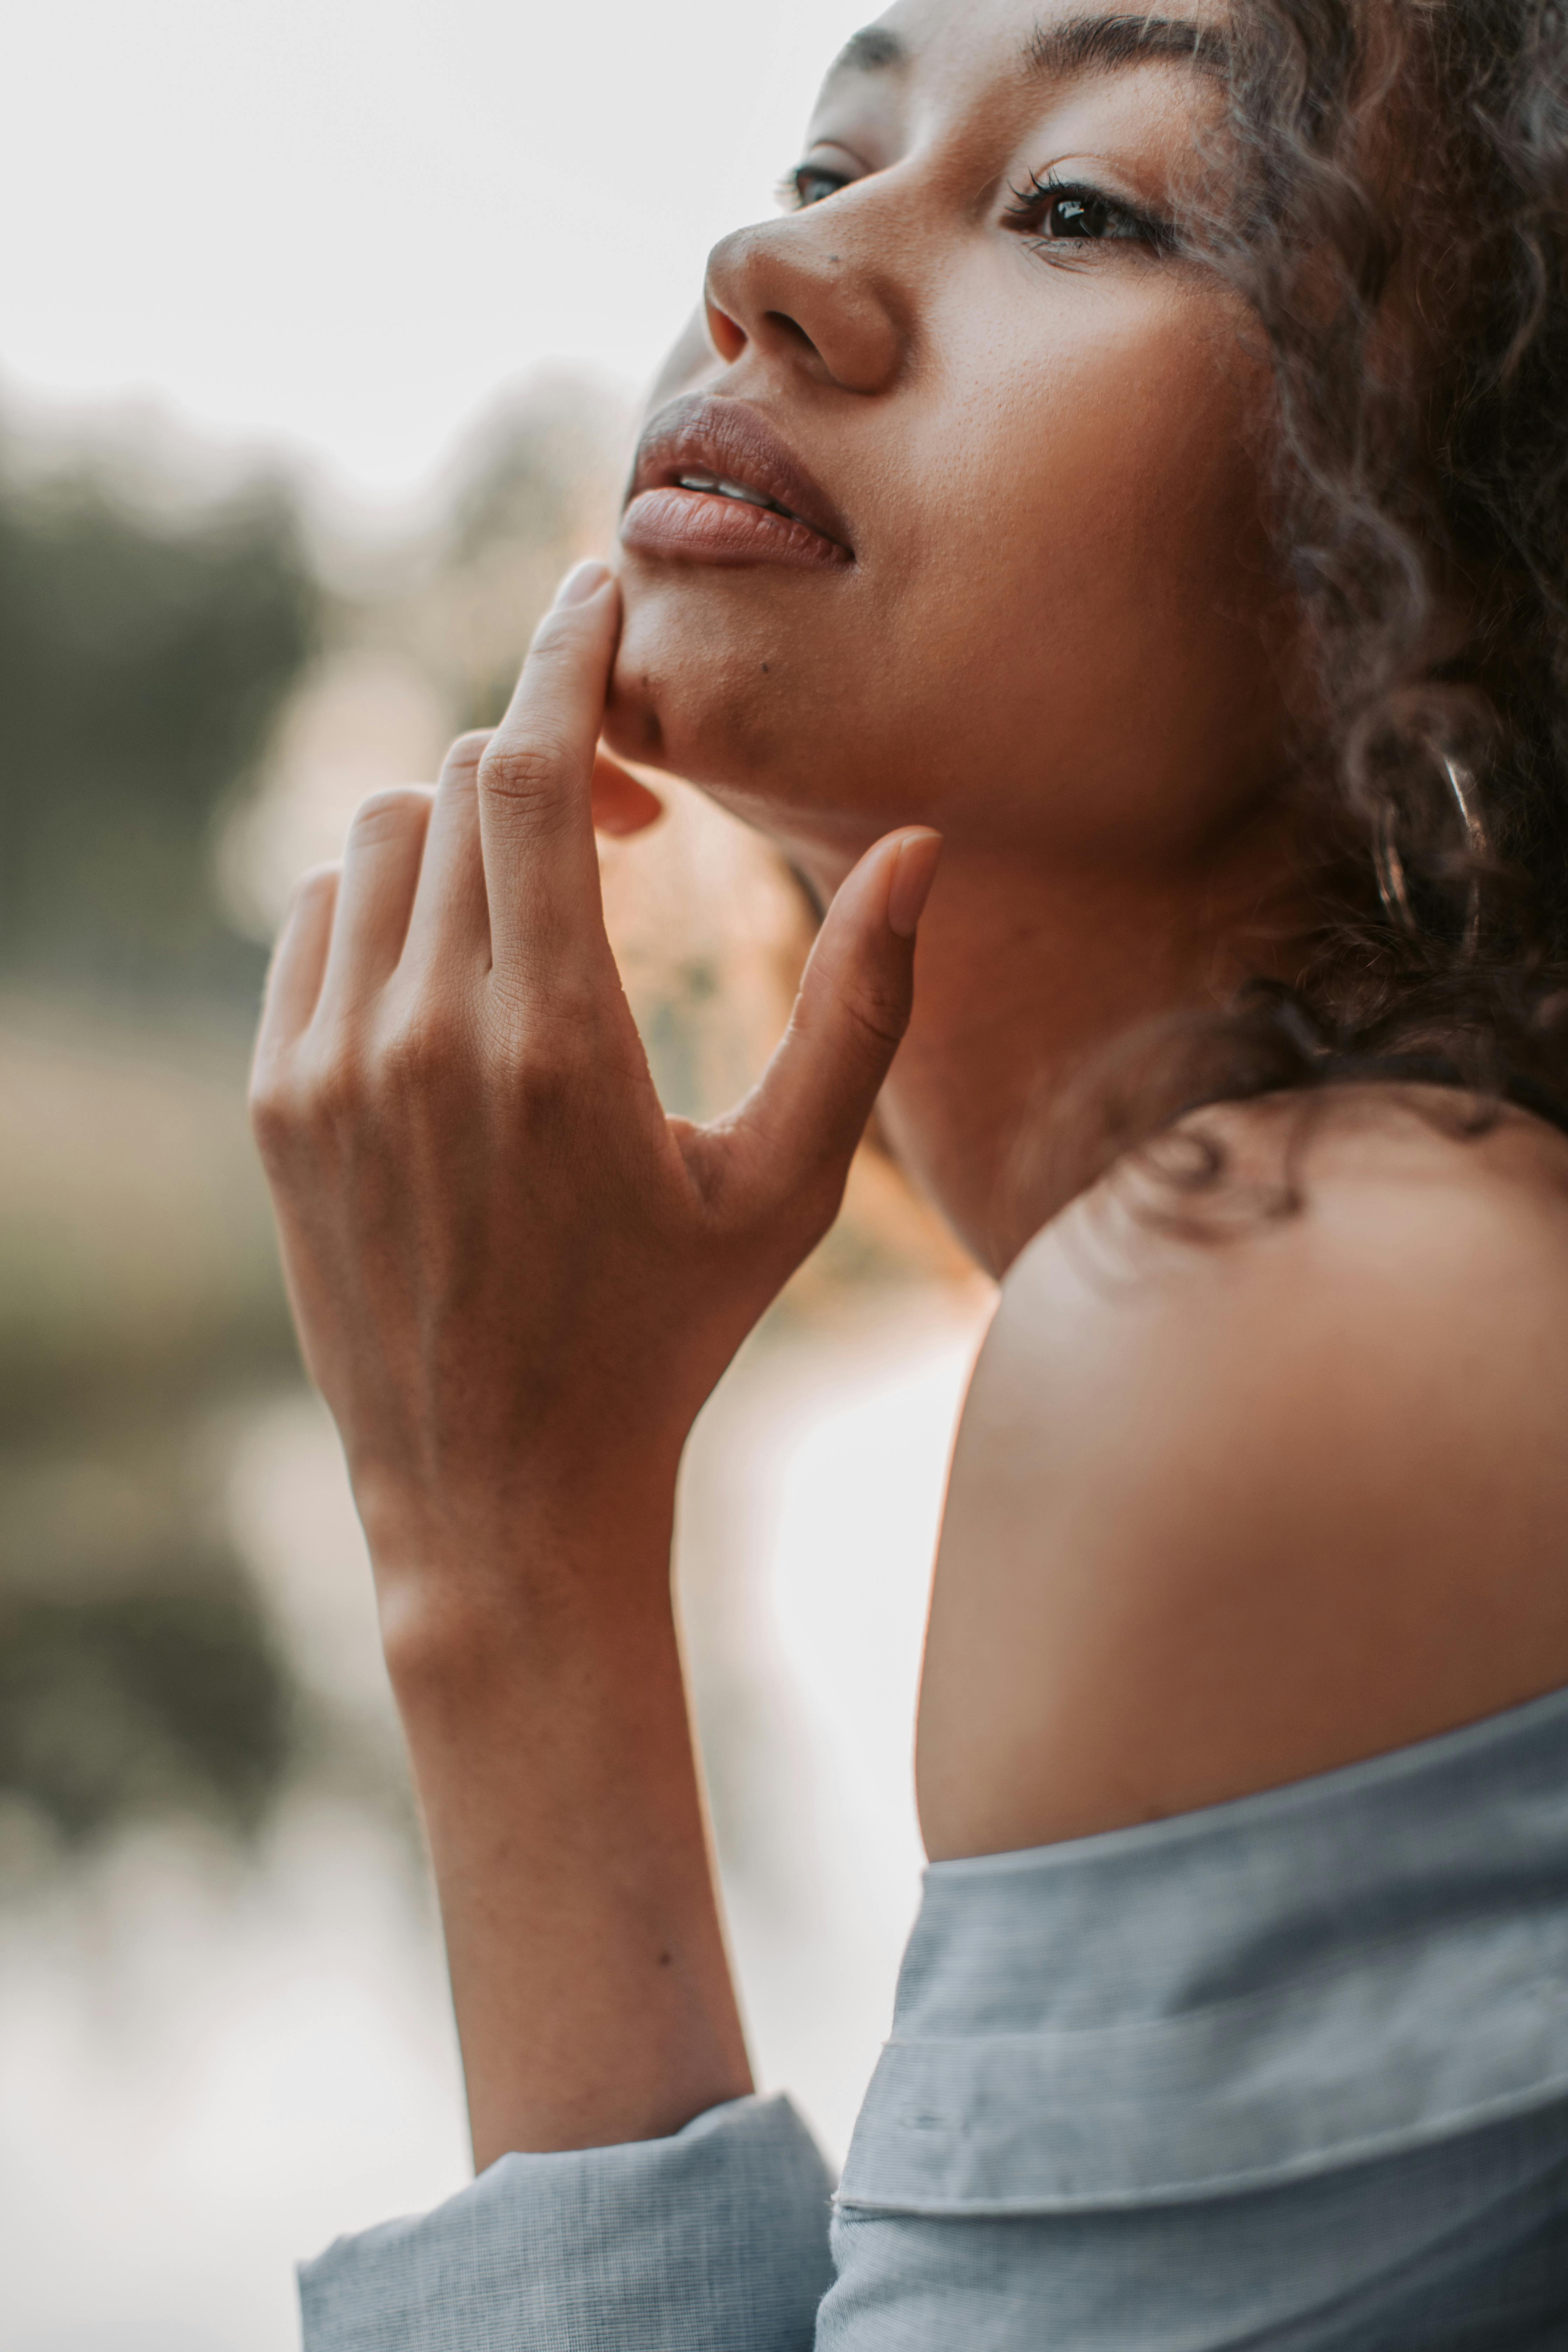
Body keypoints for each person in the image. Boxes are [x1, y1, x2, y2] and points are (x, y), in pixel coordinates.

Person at [250, 0, 1568, 2341]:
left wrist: (502, 1565)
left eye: (1086, 204)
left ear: (1445, 535)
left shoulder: (1310, 1298)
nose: (780, 258)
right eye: (828, 147)